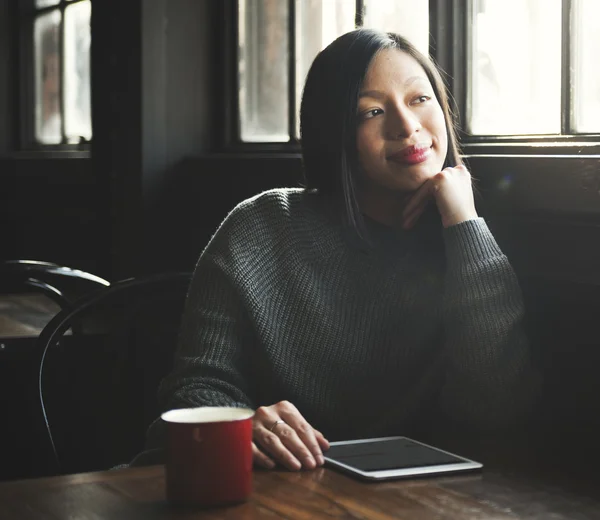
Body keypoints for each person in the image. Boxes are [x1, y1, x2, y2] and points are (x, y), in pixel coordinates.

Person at [143, 29, 539, 472]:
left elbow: (496, 411)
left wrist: (463, 223)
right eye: (372, 111)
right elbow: (193, 391)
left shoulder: (467, 241)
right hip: (264, 488)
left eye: (419, 99)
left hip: (413, 498)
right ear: (334, 134)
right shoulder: (261, 229)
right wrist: (243, 424)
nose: (407, 127)